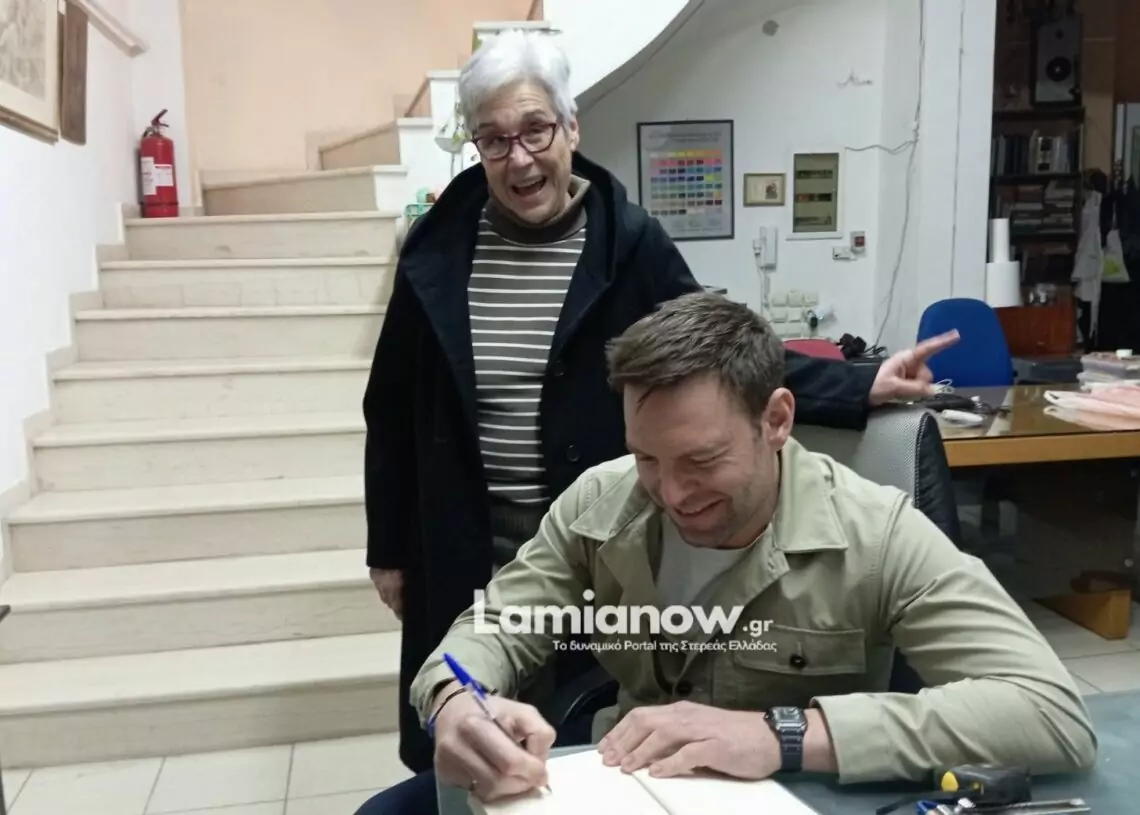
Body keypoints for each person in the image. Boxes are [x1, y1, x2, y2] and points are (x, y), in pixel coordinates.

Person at [363, 28, 960, 779]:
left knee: (571, 727)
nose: (518, 158)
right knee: (462, 720)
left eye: (535, 129)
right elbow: (389, 406)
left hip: (589, 531)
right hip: (460, 529)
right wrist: (388, 546)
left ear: (571, 127)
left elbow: (720, 354)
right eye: (493, 139)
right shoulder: (438, 246)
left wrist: (857, 383)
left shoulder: (628, 241)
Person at [355, 292, 1095, 814]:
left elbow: (1050, 711)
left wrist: (786, 733)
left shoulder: (876, 533)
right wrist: (457, 700)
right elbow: (496, 623)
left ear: (776, 420)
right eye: (648, 457)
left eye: (702, 460)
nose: (672, 493)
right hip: (626, 786)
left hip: (794, 794)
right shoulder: (601, 502)